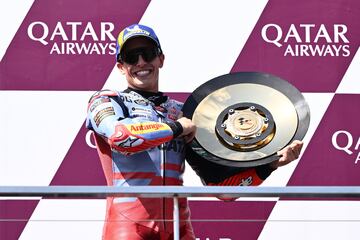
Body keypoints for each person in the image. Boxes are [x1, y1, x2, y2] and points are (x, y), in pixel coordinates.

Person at [86, 23, 303, 240]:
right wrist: (176, 128)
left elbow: (223, 191)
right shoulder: (108, 101)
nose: (141, 62)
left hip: (179, 230)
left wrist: (270, 165)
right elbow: (121, 137)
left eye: (148, 53)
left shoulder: (184, 112)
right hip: (127, 228)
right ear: (121, 66)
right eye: (132, 56)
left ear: (161, 59)